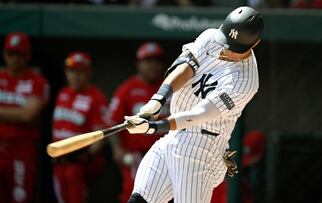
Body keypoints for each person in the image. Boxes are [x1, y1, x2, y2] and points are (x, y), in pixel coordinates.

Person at [123, 6, 263, 203]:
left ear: (255, 43)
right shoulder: (212, 37)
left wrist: (154, 127)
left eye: (235, 48)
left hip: (201, 147)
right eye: (227, 42)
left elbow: (200, 114)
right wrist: (158, 99)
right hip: (173, 137)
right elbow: (187, 67)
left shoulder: (245, 81)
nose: (228, 49)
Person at [108, 42, 169, 203]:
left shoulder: (169, 88)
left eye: (157, 61)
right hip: (137, 155)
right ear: (138, 64)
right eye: (148, 61)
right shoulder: (127, 89)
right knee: (134, 191)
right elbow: (113, 120)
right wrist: (117, 149)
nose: (153, 65)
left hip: (166, 152)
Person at [52, 51, 108, 203]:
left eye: (81, 71)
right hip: (59, 161)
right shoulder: (62, 93)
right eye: (72, 71)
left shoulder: (96, 97)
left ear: (89, 73)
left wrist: (87, 155)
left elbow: (100, 135)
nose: (76, 75)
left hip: (79, 163)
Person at [0, 32, 49, 203]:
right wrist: (15, 113)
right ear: (4, 53)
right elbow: (21, 113)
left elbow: (28, 115)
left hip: (21, 151)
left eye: (19, 54)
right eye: (10, 53)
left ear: (27, 55)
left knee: (20, 198)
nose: (14, 59)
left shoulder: (37, 80)